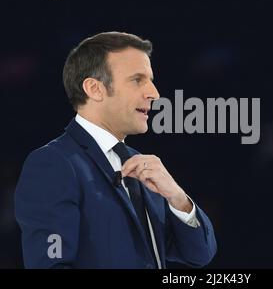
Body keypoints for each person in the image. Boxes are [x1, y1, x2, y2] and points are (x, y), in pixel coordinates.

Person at [14, 31, 217, 269]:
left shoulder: (144, 167)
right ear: (94, 88)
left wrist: (178, 198)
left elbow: (199, 255)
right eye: (137, 79)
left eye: (150, 79)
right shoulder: (53, 163)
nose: (154, 93)